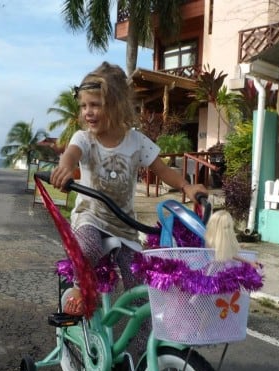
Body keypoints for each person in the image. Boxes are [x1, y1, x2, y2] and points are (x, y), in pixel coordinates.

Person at [50, 61, 208, 317]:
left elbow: (163, 170)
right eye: (84, 106)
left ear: (116, 105)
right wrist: (65, 167)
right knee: (88, 247)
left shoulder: (136, 141)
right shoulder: (85, 138)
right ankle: (79, 286)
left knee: (140, 290)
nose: (87, 112)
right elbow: (71, 154)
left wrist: (187, 187)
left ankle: (142, 352)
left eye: (95, 105)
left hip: (125, 226)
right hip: (91, 216)